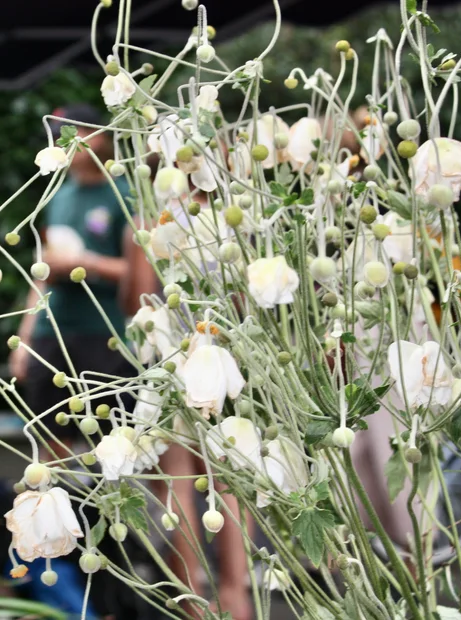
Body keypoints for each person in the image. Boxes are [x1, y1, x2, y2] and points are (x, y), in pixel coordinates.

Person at [8, 104, 140, 618]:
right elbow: (41, 273)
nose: (68, 141)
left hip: (104, 341)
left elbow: (138, 270)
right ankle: (60, 581)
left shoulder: (126, 193)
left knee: (113, 466)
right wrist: (23, 336)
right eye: (60, 133)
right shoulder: (55, 196)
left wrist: (81, 264)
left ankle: (119, 588)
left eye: (75, 132)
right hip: (51, 338)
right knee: (49, 461)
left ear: (101, 135)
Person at [120, 188, 253, 620]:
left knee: (175, 477)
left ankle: (192, 593)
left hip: (170, 359)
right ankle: (237, 594)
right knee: (229, 478)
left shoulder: (146, 219)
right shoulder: (232, 214)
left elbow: (138, 298)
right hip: (224, 355)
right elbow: (245, 298)